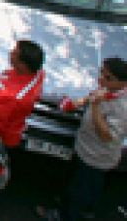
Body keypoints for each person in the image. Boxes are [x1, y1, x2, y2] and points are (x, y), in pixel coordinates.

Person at [38, 56, 127, 221]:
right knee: (87, 186)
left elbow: (107, 135)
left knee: (80, 189)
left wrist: (95, 106)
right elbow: (90, 98)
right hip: (86, 149)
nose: (101, 79)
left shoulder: (122, 107)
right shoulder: (107, 89)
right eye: (101, 73)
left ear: (123, 83)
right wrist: (76, 103)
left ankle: (66, 215)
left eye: (108, 77)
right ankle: (85, 208)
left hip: (96, 158)